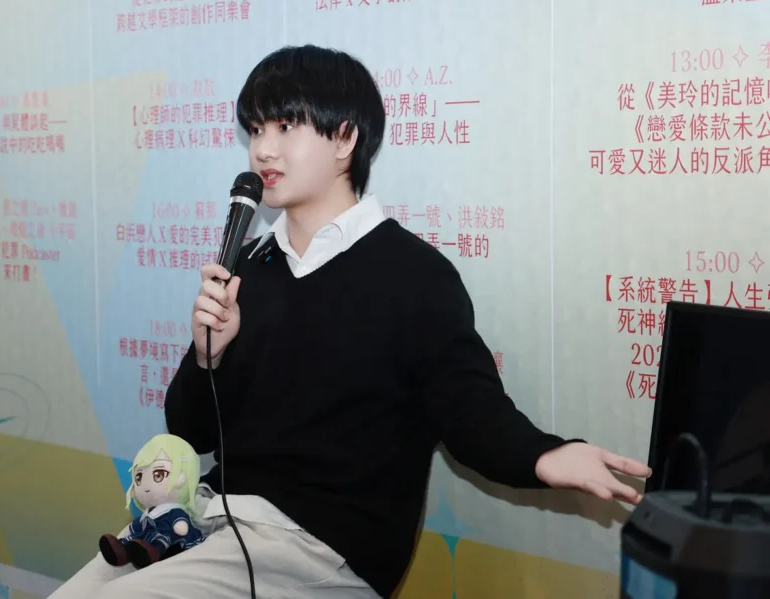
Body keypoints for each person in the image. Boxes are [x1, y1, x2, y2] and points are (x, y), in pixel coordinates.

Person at [47, 45, 651, 599]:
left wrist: (546, 455)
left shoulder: (414, 275)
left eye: (286, 126)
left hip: (320, 547)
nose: (263, 150)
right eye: (255, 129)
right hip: (212, 519)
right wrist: (210, 355)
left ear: (345, 138)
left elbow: (469, 411)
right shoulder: (249, 267)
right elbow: (191, 432)